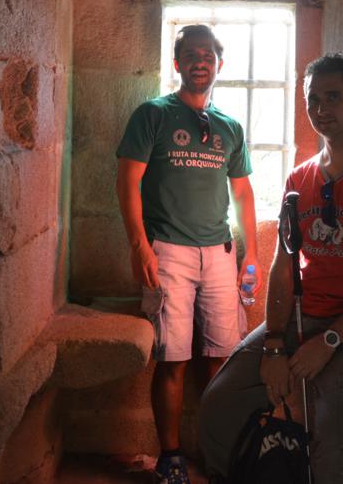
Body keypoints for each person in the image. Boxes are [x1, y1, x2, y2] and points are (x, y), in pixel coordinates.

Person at [198, 53, 343, 483]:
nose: (321, 109)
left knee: (334, 423)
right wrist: (274, 343)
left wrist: (330, 341)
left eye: (333, 97)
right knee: (220, 404)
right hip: (302, 317)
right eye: (312, 100)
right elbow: (284, 266)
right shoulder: (299, 180)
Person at [116, 24, 260, 484]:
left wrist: (251, 255)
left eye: (208, 55)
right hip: (168, 252)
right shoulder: (153, 115)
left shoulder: (229, 126)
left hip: (219, 253)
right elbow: (128, 181)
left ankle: (218, 456)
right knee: (173, 359)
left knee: (221, 359)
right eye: (192, 54)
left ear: (219, 65)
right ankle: (172, 458)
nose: (201, 61)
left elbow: (243, 193)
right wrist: (139, 245)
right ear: (177, 63)